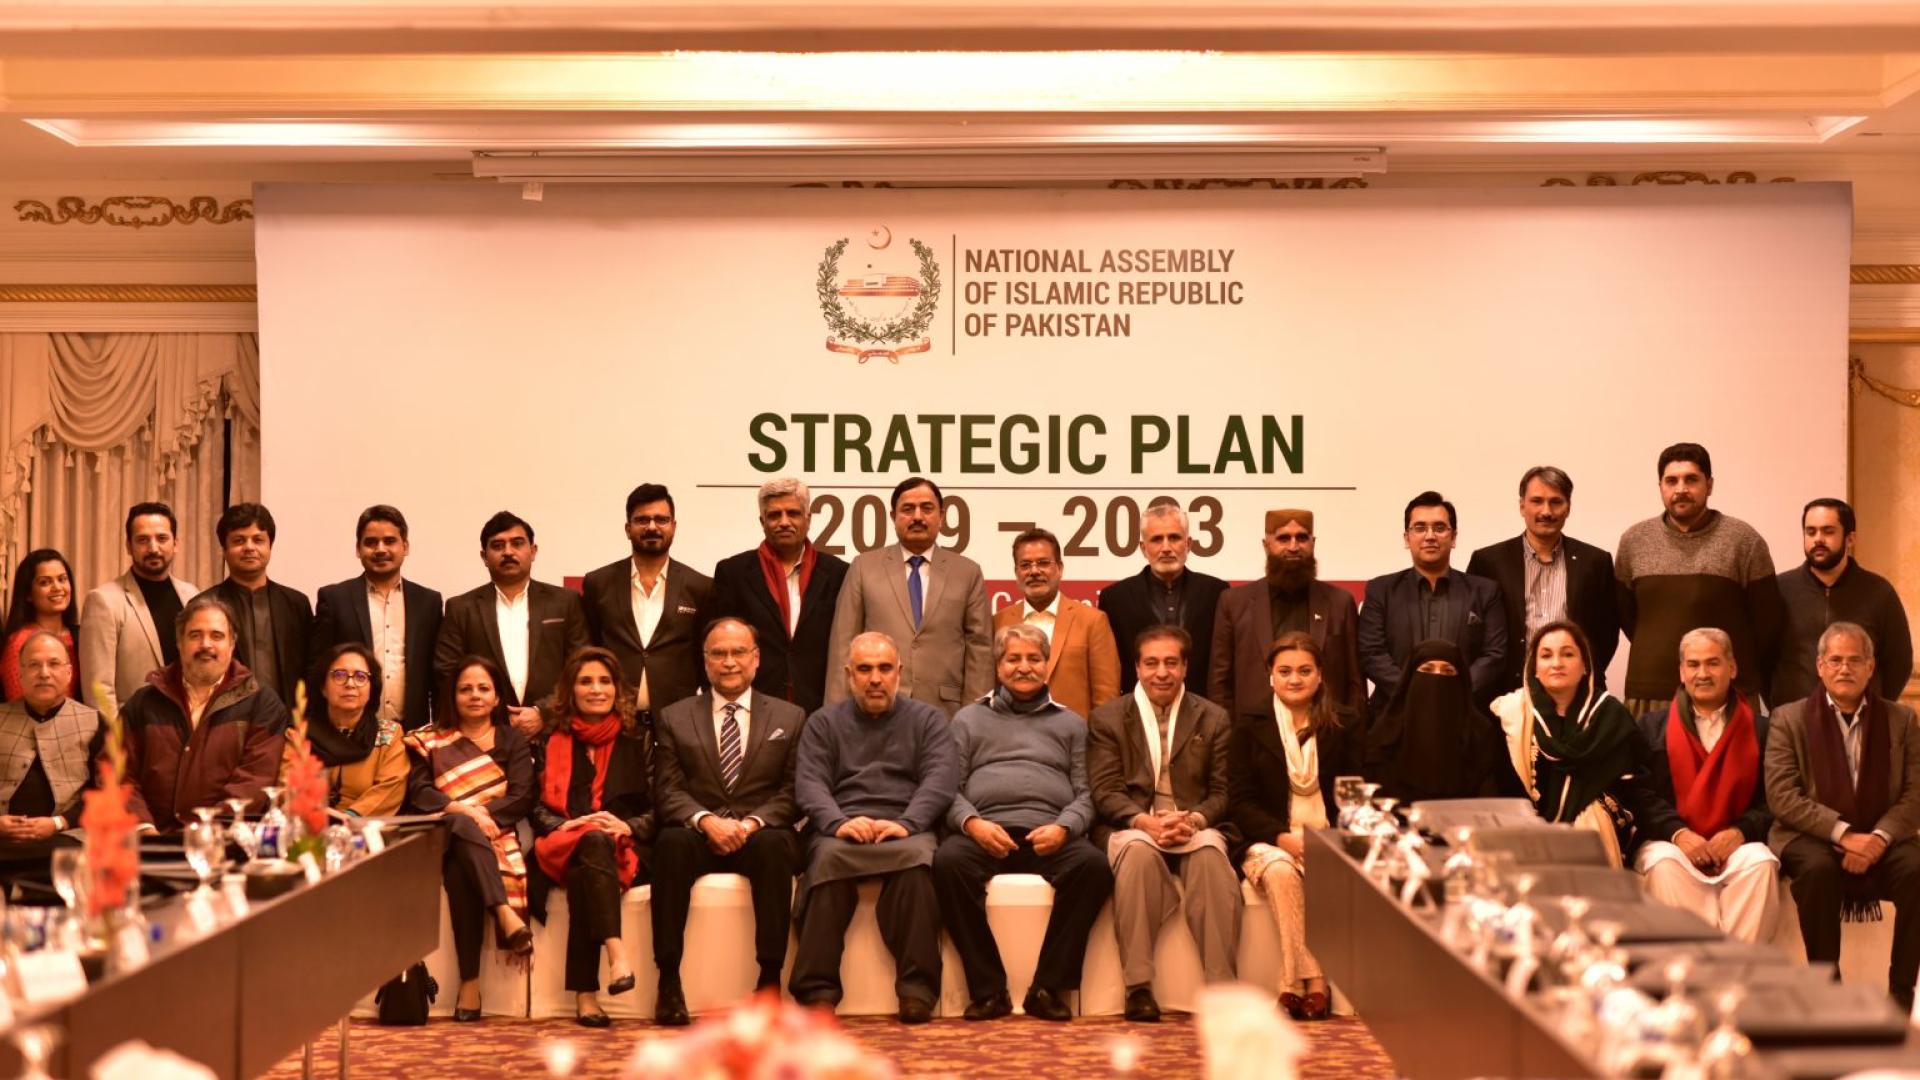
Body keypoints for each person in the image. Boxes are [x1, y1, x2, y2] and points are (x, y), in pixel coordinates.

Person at [935, 624, 1111, 1022]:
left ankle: (1048, 987)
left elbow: (1088, 794)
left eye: (1034, 658)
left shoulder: (1072, 724)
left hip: (1050, 835)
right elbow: (947, 789)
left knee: (1094, 868)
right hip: (985, 834)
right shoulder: (967, 720)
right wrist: (973, 824)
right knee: (946, 863)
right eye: (1013, 659)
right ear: (998, 667)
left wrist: (1065, 827)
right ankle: (988, 990)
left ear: (1047, 666)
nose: (1024, 667)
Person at [790, 632, 959, 1022]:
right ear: (849, 675)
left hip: (906, 830)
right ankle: (817, 991)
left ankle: (917, 990)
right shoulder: (823, 722)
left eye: (884, 668)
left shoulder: (929, 720)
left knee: (918, 869)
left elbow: (940, 779)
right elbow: (810, 783)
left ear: (899, 672)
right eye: (864, 669)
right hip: (842, 830)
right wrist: (838, 822)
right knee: (827, 866)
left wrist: (907, 823)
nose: (875, 678)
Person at [651, 618, 807, 1025]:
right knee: (668, 843)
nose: (729, 662)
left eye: (739, 652)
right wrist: (704, 821)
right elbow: (667, 790)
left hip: (760, 834)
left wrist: (751, 824)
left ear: (756, 660)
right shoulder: (674, 716)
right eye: (718, 653)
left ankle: (769, 980)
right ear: (705, 662)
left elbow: (793, 793)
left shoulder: (790, 717)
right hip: (698, 833)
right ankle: (668, 981)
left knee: (776, 846)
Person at [1087, 625, 1238, 1022]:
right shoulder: (1108, 718)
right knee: (1137, 857)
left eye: (1171, 662)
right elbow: (1104, 792)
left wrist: (1195, 819)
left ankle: (1221, 988)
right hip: (1134, 825)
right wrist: (1145, 822)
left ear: (1186, 667)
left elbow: (1223, 792)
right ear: (1136, 668)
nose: (1161, 672)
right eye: (1151, 663)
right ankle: (1138, 988)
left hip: (1193, 823)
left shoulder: (1214, 717)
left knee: (1209, 857)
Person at [1766, 622, 1920, 1011]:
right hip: (1812, 836)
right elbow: (1783, 796)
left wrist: (1879, 839)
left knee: (1917, 869)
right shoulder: (1789, 719)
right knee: (1817, 872)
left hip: (1881, 834)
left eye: (1855, 660)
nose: (1844, 668)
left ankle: (1901, 997)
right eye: (1835, 660)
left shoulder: (1902, 720)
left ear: (1871, 667)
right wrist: (1845, 835)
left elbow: (1915, 793)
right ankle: (1828, 993)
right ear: (1819, 666)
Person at [1228, 631, 1357, 1021]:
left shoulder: (1344, 723)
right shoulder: (1249, 725)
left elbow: (1355, 794)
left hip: (1329, 837)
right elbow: (1240, 802)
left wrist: (1327, 839)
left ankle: (1289, 987)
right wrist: (1283, 838)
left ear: (1320, 675)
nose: (1294, 679)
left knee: (1320, 868)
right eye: (1284, 671)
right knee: (1283, 873)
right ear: (1270, 675)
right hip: (1268, 839)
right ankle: (1313, 982)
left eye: (1304, 670)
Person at [404, 656, 535, 1021]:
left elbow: (524, 794)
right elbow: (421, 793)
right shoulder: (429, 740)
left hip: (493, 834)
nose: (474, 696)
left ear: (496, 698)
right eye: (465, 689)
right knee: (460, 827)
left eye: (483, 688)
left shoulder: (512, 739)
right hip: (441, 832)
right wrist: (466, 810)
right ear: (452, 695)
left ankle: (470, 984)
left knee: (462, 876)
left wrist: (480, 816)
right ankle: (505, 913)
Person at [528, 647, 652, 1028]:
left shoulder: (639, 738)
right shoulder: (550, 738)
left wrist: (628, 827)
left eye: (604, 681)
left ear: (617, 688)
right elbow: (534, 805)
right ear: (570, 689)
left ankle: (586, 995)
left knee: (591, 859)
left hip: (625, 846)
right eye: (585, 681)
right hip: (560, 844)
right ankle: (617, 953)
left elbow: (658, 803)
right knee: (590, 842)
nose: (596, 689)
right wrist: (564, 826)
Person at [1628, 629, 1777, 941]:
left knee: (1761, 863)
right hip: (1671, 841)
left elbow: (1775, 799)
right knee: (1665, 865)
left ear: (1732, 668)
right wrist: (1679, 834)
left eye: (1713, 663)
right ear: (1681, 672)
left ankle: (1738, 972)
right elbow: (1639, 795)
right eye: (1693, 665)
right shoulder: (1650, 727)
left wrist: (1740, 832)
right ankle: (1690, 973)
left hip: (1739, 841)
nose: (1703, 673)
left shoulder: (1763, 731)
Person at [1615, 442, 1784, 716]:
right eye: (1671, 481)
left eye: (1691, 479)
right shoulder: (1634, 541)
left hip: (1726, 695)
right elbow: (1626, 616)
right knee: (1648, 760)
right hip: (1650, 693)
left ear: (1710, 485)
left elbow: (1767, 623)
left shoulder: (1743, 540)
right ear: (1661, 487)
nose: (1681, 488)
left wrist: (1726, 669)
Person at [117, 595, 290, 831]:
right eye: (195, 635)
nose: (206, 644)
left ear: (232, 644)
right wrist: (143, 827)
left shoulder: (262, 704)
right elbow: (118, 774)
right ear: (179, 643)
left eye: (217, 636)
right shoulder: (143, 703)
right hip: (149, 843)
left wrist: (204, 829)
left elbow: (254, 781)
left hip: (225, 846)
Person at [825, 477, 991, 716]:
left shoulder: (967, 572)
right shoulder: (864, 567)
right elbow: (843, 644)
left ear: (941, 516)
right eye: (907, 509)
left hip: (948, 713)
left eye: (927, 508)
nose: (917, 517)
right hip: (876, 710)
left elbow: (981, 650)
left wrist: (976, 718)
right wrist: (836, 717)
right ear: (893, 517)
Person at [1492, 621, 1642, 867]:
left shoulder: (1611, 716)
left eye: (1568, 654)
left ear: (1585, 665)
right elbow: (1500, 787)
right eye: (1546, 655)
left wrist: (1593, 812)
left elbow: (1634, 783)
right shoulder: (1511, 714)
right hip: (1524, 834)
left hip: (1596, 834)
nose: (1557, 663)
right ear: (1534, 668)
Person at [1466, 466, 1620, 696]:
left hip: (1575, 693)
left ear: (1568, 508)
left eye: (1556, 502)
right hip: (1505, 693)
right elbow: (1474, 631)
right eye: (1537, 501)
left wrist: (1582, 672)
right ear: (1522, 506)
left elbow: (1607, 631)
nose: (1546, 511)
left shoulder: (1595, 562)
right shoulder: (1488, 562)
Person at [436, 511, 589, 737]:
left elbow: (581, 666)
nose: (508, 552)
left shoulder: (565, 602)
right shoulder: (461, 608)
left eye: (517, 544)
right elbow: (446, 671)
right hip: (485, 736)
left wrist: (543, 712)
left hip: (556, 733)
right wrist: (493, 714)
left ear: (533, 551)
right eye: (497, 546)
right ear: (484, 556)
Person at [707, 478, 849, 714]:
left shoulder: (838, 573)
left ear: (808, 518)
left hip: (819, 707)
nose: (784, 522)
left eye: (793, 513)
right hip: (753, 708)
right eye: (774, 515)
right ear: (762, 521)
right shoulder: (733, 572)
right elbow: (716, 642)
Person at [1358, 491, 1508, 711]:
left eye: (1439, 528)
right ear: (1406, 538)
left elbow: (1494, 655)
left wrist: (1455, 691)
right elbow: (1372, 653)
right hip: (1394, 718)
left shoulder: (1485, 591)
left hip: (1464, 716)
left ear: (1453, 537)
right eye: (1419, 528)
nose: (1430, 536)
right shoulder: (1381, 590)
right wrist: (1414, 692)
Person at [1209, 508, 1364, 717]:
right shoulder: (1234, 602)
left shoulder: (1339, 602)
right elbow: (1220, 683)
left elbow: (1355, 681)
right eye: (1283, 538)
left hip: (1327, 733)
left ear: (1313, 543)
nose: (1293, 547)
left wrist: (1352, 735)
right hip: (1254, 736)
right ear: (1266, 545)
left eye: (1301, 538)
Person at [582, 483, 713, 730]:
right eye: (642, 520)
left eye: (661, 519)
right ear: (627, 528)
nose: (652, 527)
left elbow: (703, 656)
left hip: (680, 723)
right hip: (611, 720)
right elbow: (589, 650)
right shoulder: (598, 583)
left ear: (674, 526)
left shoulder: (701, 587)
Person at [310, 505, 445, 730]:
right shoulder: (335, 599)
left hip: (411, 731)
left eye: (389, 541)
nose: (380, 549)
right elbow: (317, 669)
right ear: (358, 548)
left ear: (406, 546)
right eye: (371, 542)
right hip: (349, 731)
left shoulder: (428, 602)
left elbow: (437, 676)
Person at [1772, 498, 1912, 707]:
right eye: (1811, 532)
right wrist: (1782, 705)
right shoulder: (1780, 590)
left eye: (1828, 531)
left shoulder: (1879, 592)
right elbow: (1762, 658)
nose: (1818, 539)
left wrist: (1875, 705)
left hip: (1862, 723)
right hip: (1794, 724)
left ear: (1850, 538)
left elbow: (1898, 662)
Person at [79, 502, 197, 713]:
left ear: (176, 543)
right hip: (136, 734)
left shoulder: (192, 596)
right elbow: (98, 690)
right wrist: (120, 742)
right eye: (143, 540)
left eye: (162, 538)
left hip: (190, 728)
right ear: (128, 546)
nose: (153, 548)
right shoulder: (104, 601)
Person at [990, 528, 1121, 719]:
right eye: (1025, 565)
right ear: (1016, 572)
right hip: (1011, 740)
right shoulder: (999, 621)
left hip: (1075, 742)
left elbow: (1106, 697)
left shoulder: (1092, 621)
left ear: (1060, 568)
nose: (1034, 571)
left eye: (1043, 563)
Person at [1099, 501, 1228, 695]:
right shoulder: (1115, 598)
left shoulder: (1216, 592)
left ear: (1188, 544)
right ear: (1143, 548)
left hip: (1203, 713)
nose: (1166, 547)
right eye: (1157, 539)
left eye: (1174, 538)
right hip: (1136, 713)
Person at [1362, 639, 1513, 804]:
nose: (1437, 678)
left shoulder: (1479, 733)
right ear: (1410, 678)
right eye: (1427, 669)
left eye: (1448, 671)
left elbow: (1489, 801)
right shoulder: (1385, 735)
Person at [194, 503, 314, 708]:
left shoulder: (296, 604)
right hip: (225, 725)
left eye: (258, 540)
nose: (249, 547)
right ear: (224, 549)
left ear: (270, 546)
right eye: (239, 540)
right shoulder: (204, 606)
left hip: (288, 725)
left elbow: (310, 669)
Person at [0, 632, 102, 856]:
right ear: (20, 674)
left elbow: (105, 792)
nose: (44, 673)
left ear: (69, 673)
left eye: (54, 664)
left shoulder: (95, 722)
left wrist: (58, 823)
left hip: (68, 838)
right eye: (34, 665)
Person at [300, 643, 407, 818]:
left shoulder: (390, 734)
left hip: (366, 830)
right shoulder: (299, 735)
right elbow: (287, 786)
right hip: (310, 829)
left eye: (360, 677)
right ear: (323, 687)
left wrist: (350, 818)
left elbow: (390, 788)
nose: (350, 684)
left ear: (372, 688)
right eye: (339, 675)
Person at [3, 549, 80, 701]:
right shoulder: (19, 642)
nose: (57, 587)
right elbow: (16, 708)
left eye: (62, 579)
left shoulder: (79, 636)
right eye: (45, 582)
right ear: (28, 594)